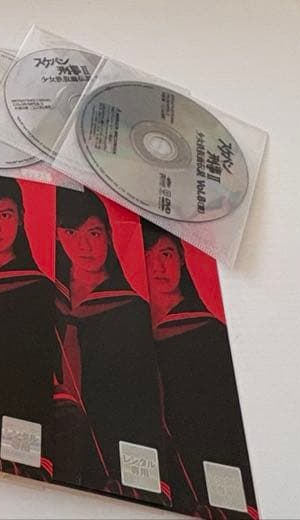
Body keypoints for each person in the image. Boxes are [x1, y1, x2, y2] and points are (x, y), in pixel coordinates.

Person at [50, 188, 168, 503]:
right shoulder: (48, 294)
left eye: (94, 233)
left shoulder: (132, 305)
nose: (84, 246)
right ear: (58, 236)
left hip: (120, 444)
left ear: (109, 235)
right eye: (70, 233)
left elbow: (145, 396)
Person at [143, 222, 258, 519]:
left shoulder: (208, 329)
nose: (158, 266)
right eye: (147, 254)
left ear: (182, 259)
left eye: (167, 254)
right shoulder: (128, 325)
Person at [0, 176, 58, 477]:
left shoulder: (37, 288)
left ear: (21, 218)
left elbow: (37, 378)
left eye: (4, 215)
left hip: (12, 417)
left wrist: (23, 455)